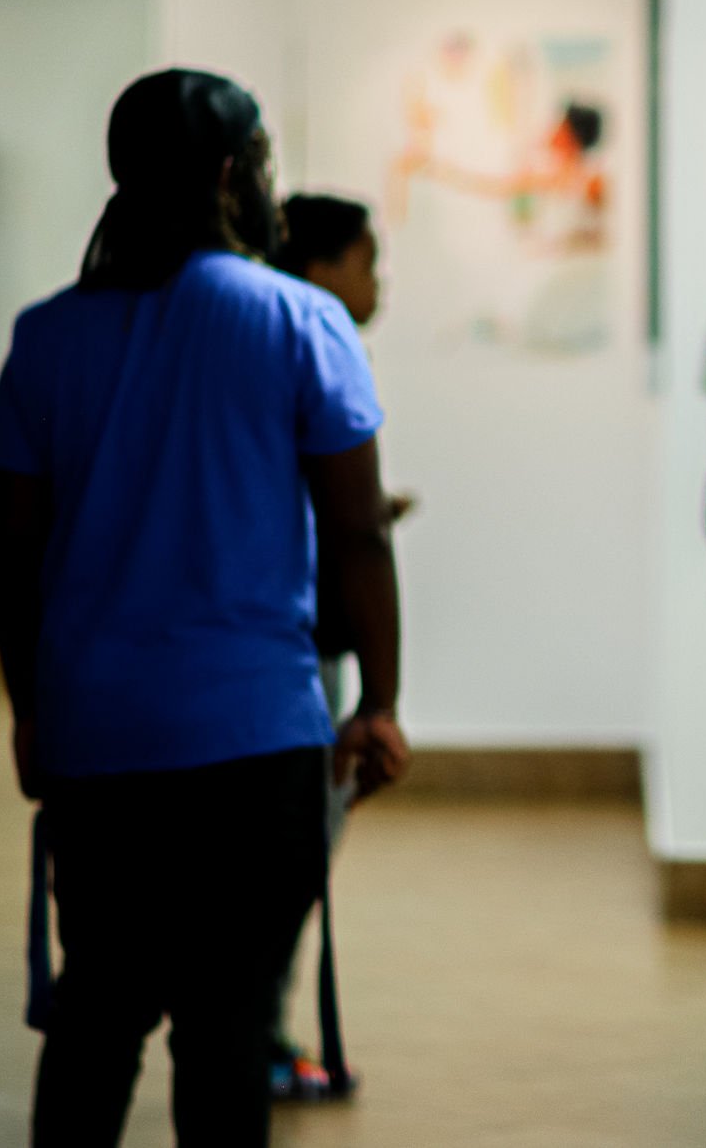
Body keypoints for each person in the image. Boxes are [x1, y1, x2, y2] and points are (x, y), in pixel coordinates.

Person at [0, 68, 410, 1148]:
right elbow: (357, 531)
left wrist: (30, 710)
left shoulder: (46, 338)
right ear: (233, 176)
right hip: (252, 743)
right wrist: (378, 702)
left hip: (97, 740)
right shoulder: (299, 320)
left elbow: (13, 550)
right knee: (225, 1037)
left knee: (95, 1020)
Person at [265, 192, 413, 1101]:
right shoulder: (316, 339)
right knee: (290, 864)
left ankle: (259, 1035)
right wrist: (381, 698)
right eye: (368, 260)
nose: (378, 282)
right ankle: (267, 1042)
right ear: (321, 270)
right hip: (298, 655)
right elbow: (348, 528)